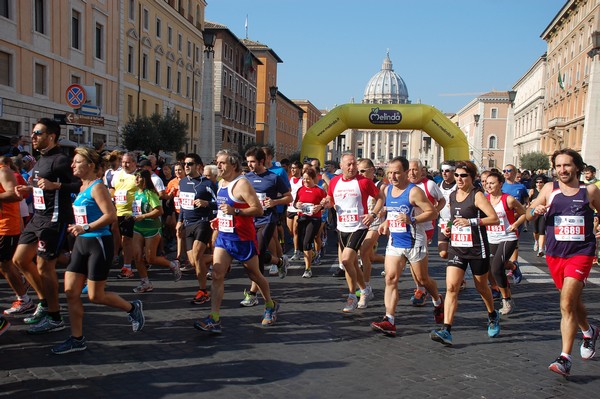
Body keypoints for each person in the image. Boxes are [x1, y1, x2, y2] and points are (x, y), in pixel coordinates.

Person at [51, 147, 144, 354]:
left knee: (95, 296)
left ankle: (132, 308)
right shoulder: (81, 186)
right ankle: (77, 339)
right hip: (80, 243)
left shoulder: (97, 187)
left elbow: (110, 216)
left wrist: (85, 227)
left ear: (90, 166)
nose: (72, 165)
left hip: (98, 243)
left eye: (77, 162)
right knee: (71, 292)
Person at [527, 148, 600, 377]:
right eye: (558, 166)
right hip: (555, 254)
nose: (562, 170)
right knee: (572, 302)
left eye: (567, 165)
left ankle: (564, 358)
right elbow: (529, 213)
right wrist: (536, 209)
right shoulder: (550, 189)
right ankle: (589, 331)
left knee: (566, 301)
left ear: (577, 166)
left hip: (582, 252)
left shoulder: (589, 190)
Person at [194, 149, 279, 333]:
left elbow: (258, 210)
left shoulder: (242, 184)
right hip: (225, 237)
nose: (218, 166)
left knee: (254, 275)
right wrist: (219, 219)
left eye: (222, 163)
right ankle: (214, 318)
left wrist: (236, 212)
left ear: (233, 164)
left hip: (243, 238)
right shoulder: (221, 183)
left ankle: (270, 305)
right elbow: (223, 208)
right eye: (217, 162)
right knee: (217, 274)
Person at [13, 118, 81, 334]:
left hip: (55, 218)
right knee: (20, 259)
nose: (33, 137)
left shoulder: (61, 160)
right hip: (38, 217)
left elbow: (80, 184)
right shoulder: (40, 160)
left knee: (45, 266)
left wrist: (56, 185)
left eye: (38, 133)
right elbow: (42, 186)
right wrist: (29, 190)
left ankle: (55, 316)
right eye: (33, 133)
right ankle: (44, 303)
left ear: (51, 136)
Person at [430, 161, 500, 346]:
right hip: (457, 247)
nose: (459, 179)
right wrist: (449, 229)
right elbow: (455, 219)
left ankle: (492, 314)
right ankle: (447, 330)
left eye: (464, 176)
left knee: (481, 287)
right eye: (457, 175)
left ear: (472, 178)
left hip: (477, 248)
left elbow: (494, 219)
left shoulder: (477, 196)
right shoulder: (452, 195)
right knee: (452, 287)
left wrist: (471, 223)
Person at [370, 156, 441, 337]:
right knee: (391, 279)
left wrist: (412, 219)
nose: (392, 176)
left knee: (423, 280)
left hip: (414, 240)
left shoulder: (414, 191)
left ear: (405, 173)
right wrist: (385, 223)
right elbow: (391, 212)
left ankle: (437, 301)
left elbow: (432, 212)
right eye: (390, 172)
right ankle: (389, 320)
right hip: (395, 241)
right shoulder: (386, 190)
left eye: (396, 173)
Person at [324, 152, 384, 312]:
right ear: (341, 166)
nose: (352, 167)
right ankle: (357, 293)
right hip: (342, 227)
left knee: (346, 260)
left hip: (359, 227)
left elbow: (380, 198)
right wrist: (326, 203)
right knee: (351, 262)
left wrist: (373, 214)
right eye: (348, 164)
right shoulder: (334, 181)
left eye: (354, 164)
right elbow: (331, 199)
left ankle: (358, 292)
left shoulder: (363, 182)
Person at [240, 147, 291, 306]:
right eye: (248, 162)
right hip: (249, 221)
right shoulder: (245, 179)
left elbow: (289, 197)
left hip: (267, 219)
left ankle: (253, 294)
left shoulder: (273, 178)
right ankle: (280, 262)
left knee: (258, 254)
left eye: (253, 162)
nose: (250, 165)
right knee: (251, 256)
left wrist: (275, 202)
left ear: (262, 161)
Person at [131, 169, 181, 293]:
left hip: (152, 229)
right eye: (135, 177)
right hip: (138, 228)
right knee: (137, 256)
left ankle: (173, 265)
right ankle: (145, 282)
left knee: (150, 259)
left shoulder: (150, 193)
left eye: (138, 177)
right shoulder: (136, 193)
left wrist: (143, 216)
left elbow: (159, 211)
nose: (136, 180)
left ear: (145, 179)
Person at [176, 154, 217, 305]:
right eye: (184, 164)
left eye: (190, 164)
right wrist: (179, 221)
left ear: (198, 166)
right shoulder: (182, 183)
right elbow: (182, 203)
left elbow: (220, 202)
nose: (186, 166)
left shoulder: (207, 183)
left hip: (202, 222)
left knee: (198, 256)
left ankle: (203, 291)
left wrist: (207, 203)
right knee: (193, 261)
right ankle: (220, 258)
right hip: (188, 224)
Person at [484, 171, 526, 315]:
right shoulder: (485, 200)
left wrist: (515, 224)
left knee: (496, 268)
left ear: (500, 184)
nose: (489, 186)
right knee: (494, 267)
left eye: (492, 183)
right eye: (487, 183)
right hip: (491, 237)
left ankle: (506, 300)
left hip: (508, 236)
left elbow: (524, 213)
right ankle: (513, 266)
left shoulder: (508, 199)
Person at [407, 159, 446, 306]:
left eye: (415, 169)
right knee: (412, 261)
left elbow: (441, 200)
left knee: (418, 258)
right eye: (409, 170)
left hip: (426, 227)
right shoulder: (405, 185)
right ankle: (420, 288)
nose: (412, 173)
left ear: (421, 170)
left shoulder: (429, 184)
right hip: (409, 227)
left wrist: (435, 211)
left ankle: (422, 289)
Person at [0, 157, 32, 316]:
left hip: (6, 226)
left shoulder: (3, 171)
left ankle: (24, 300)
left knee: (5, 264)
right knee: (6, 265)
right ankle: (22, 283)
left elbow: (16, 194)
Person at [358, 158, 386, 303]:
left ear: (372, 170)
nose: (360, 174)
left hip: (375, 223)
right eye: (359, 171)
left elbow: (388, 200)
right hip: (361, 223)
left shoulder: (381, 184)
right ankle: (391, 261)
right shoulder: (358, 183)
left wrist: (381, 211)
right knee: (369, 256)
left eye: (363, 171)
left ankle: (366, 288)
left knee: (363, 252)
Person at [293, 168, 327, 278]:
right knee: (302, 243)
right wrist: (297, 205)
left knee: (307, 242)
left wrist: (320, 207)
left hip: (314, 219)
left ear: (313, 178)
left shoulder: (319, 190)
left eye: (308, 179)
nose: (306, 181)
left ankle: (308, 269)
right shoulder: (300, 189)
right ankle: (312, 253)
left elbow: (326, 204)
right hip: (302, 218)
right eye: (304, 179)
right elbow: (294, 204)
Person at [112, 153, 139, 279]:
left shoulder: (138, 176)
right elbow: (112, 188)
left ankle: (128, 267)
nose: (124, 165)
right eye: (123, 162)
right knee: (123, 239)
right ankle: (127, 263)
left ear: (134, 163)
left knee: (127, 240)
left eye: (127, 162)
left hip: (132, 213)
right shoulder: (117, 174)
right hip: (118, 211)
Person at [287, 161, 304, 260]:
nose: (292, 170)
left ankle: (296, 251)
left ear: (300, 169)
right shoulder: (289, 180)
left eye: (295, 168)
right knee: (291, 232)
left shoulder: (303, 180)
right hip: (289, 208)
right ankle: (299, 248)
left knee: (296, 230)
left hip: (298, 209)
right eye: (291, 168)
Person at [529, 175, 547, 257]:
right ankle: (536, 241)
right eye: (537, 182)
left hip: (543, 213)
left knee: (542, 231)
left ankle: (541, 249)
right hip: (534, 213)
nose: (539, 184)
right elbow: (528, 202)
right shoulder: (532, 191)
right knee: (536, 231)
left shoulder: (546, 191)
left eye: (541, 182)